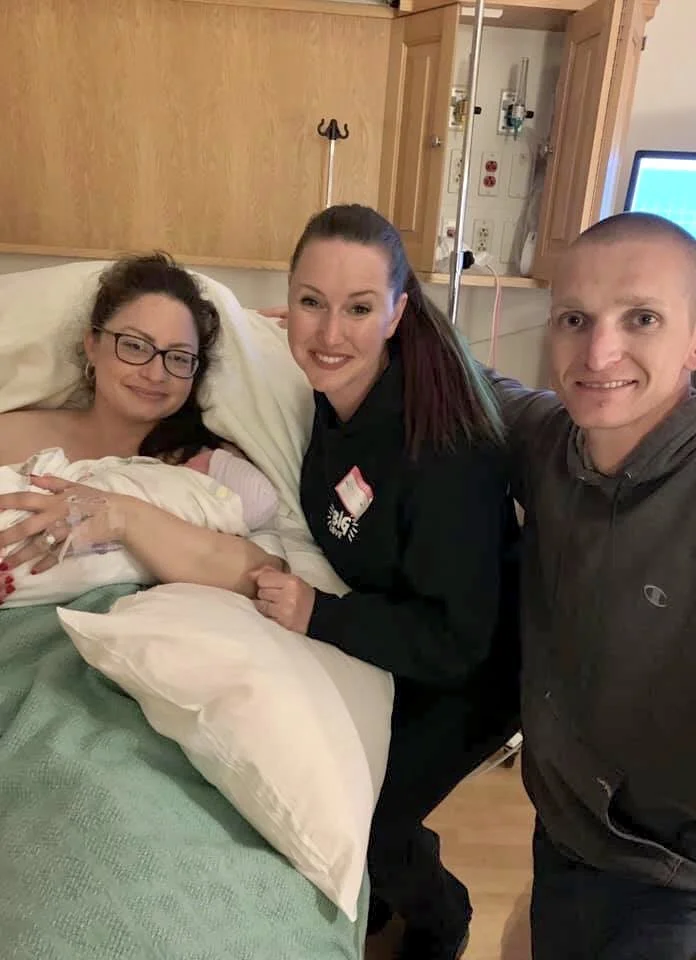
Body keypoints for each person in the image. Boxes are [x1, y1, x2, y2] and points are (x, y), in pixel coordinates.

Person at [253, 204, 521, 960]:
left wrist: (320, 614)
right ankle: (381, 893)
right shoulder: (327, 392)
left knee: (366, 820)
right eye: (311, 302)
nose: (328, 334)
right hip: (391, 633)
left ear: (398, 313)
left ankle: (444, 918)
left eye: (359, 308)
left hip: (470, 672)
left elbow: (458, 640)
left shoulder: (441, 456)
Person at [489, 211, 696, 959]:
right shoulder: (550, 444)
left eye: (641, 318)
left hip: (676, 885)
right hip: (565, 839)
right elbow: (479, 383)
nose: (599, 351)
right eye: (575, 319)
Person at [0, 252, 282, 598]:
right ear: (92, 344)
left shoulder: (205, 468)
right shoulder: (13, 435)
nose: (155, 373)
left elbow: (267, 577)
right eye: (134, 346)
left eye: (178, 357)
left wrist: (123, 516)